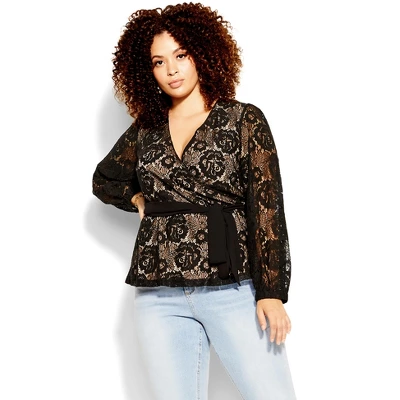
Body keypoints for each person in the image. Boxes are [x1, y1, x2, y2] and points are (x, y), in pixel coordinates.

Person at [92, 3, 296, 399]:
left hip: (231, 287)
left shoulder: (243, 120)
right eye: (159, 62)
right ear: (147, 71)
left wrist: (272, 291)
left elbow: (267, 209)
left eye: (181, 55)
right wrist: (137, 198)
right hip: (158, 293)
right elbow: (105, 179)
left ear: (202, 53)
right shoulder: (146, 130)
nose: (171, 70)